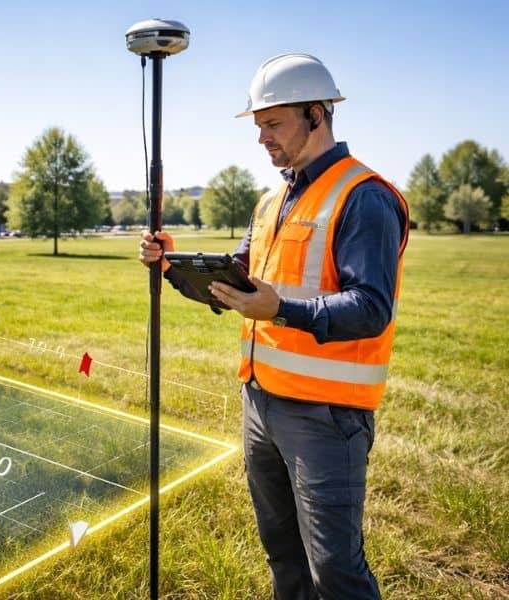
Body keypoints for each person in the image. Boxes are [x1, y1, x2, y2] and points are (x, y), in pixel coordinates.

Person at [139, 53, 408, 600]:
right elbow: (239, 284)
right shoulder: (272, 201)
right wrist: (172, 265)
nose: (261, 138)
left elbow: (371, 306)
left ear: (316, 114)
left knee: (335, 571)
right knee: (282, 552)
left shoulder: (365, 197)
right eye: (258, 125)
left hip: (326, 415)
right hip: (260, 403)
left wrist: (282, 309)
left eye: (273, 123)